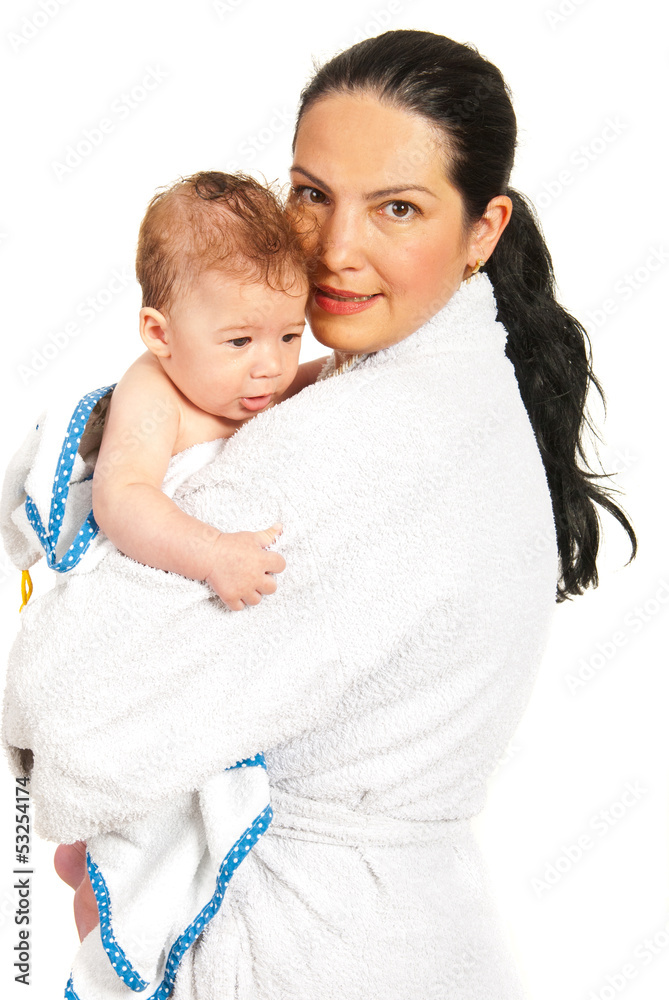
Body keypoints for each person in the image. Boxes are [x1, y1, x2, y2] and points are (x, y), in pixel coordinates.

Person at [42, 28, 637, 998]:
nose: (334, 249)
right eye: (312, 194)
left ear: (483, 230)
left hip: (305, 952)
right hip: (410, 936)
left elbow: (68, 719)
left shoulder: (352, 445)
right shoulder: (458, 399)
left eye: (397, 207)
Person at [92, 169, 324, 611]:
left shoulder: (255, 379)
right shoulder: (154, 394)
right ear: (161, 335)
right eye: (239, 341)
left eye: (290, 336)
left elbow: (312, 383)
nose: (273, 367)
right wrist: (212, 552)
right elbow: (120, 496)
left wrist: (346, 366)